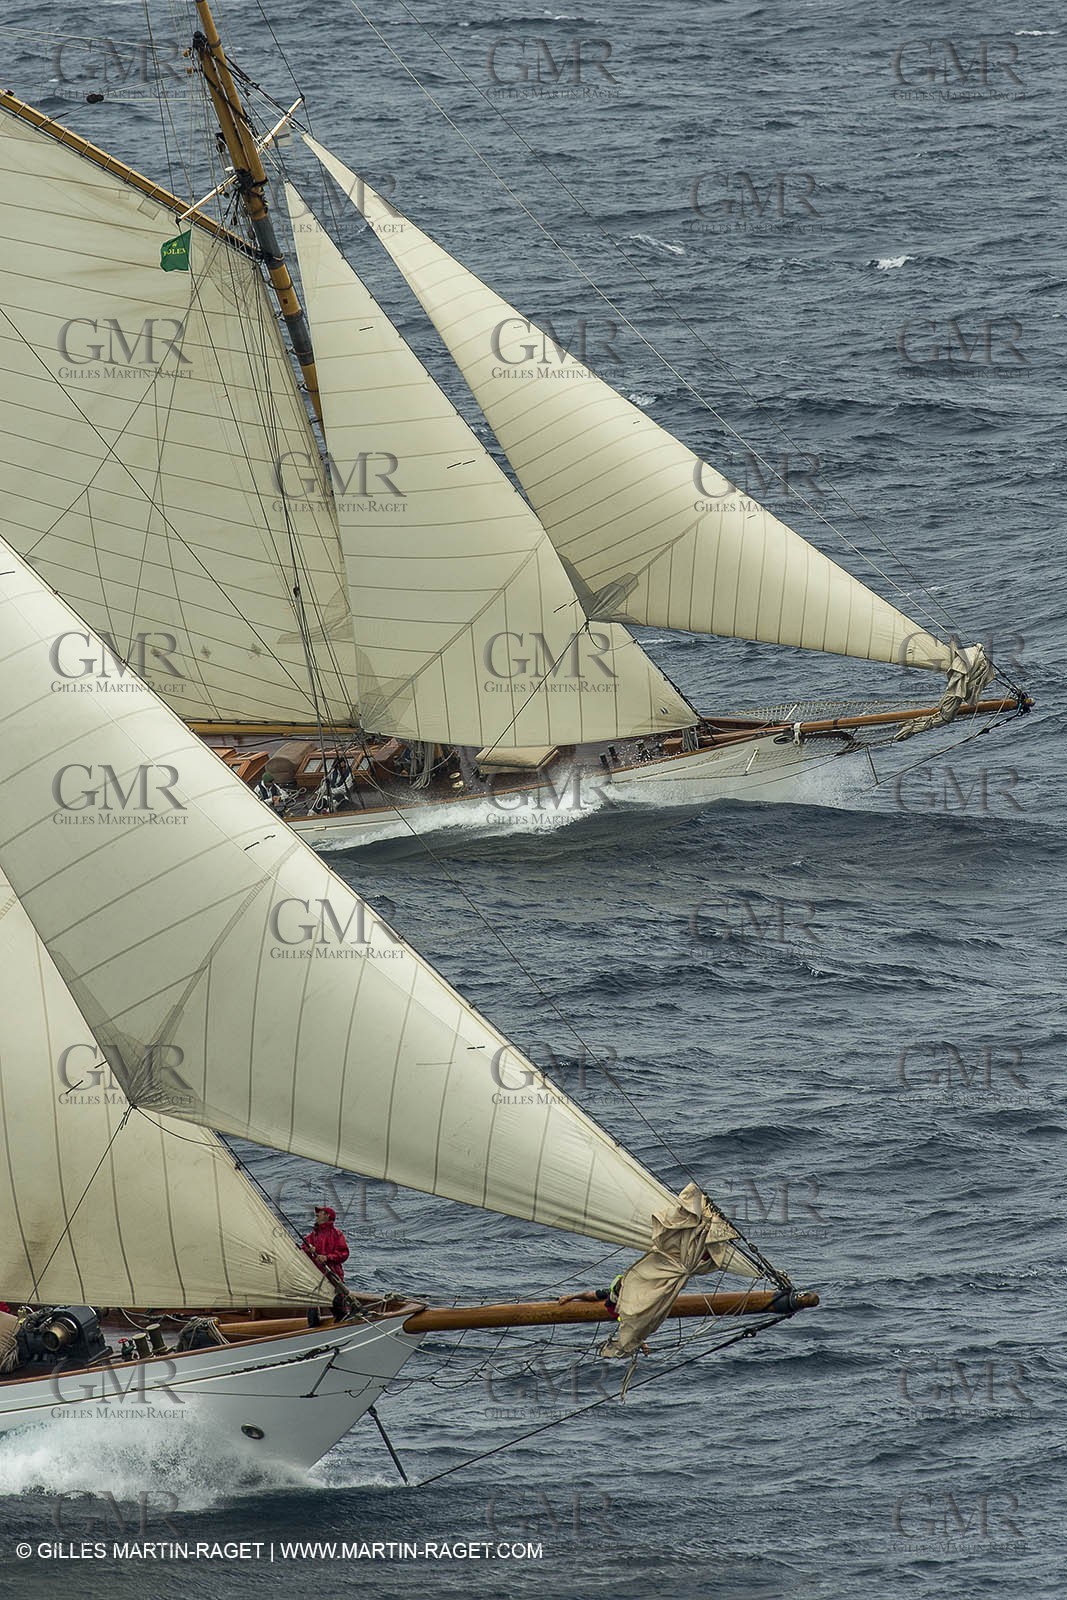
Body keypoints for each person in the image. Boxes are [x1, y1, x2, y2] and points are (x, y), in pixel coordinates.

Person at [302, 1205, 349, 1281]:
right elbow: (303, 1249)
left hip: (333, 1276)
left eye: (320, 1212)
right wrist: (308, 1249)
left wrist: (327, 1257)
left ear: (327, 1215)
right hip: (314, 1275)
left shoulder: (337, 1234)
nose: (317, 1214)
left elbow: (344, 1253)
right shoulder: (312, 1235)